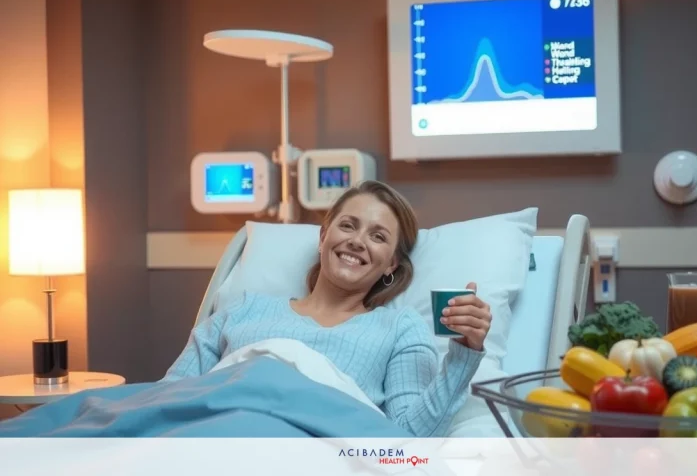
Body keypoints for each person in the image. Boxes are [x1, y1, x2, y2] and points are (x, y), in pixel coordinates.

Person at [163, 180, 492, 437]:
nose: (357, 241)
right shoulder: (244, 310)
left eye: (377, 236)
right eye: (348, 226)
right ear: (323, 237)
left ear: (391, 263)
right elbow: (167, 400)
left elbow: (407, 438)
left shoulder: (398, 329)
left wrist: (464, 355)